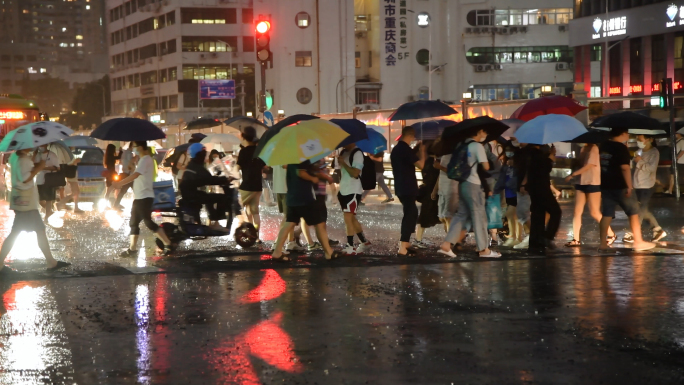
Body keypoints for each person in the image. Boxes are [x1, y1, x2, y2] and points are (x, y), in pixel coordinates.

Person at [0, 148, 70, 275]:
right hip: (26, 203)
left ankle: (51, 261)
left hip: (21, 201)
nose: (33, 145)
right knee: (25, 232)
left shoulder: (16, 157)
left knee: (35, 231)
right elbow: (26, 178)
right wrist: (40, 167)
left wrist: (35, 164)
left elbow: (24, 172)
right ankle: (51, 262)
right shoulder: (23, 159)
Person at [438, 128, 500, 258]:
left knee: (461, 215)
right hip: (474, 185)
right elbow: (486, 167)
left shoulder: (462, 145)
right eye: (484, 132)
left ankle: (446, 245)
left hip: (463, 184)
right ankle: (483, 250)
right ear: (478, 132)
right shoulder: (477, 146)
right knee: (479, 217)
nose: (486, 134)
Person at [113, 141, 174, 257]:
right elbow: (138, 173)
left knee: (147, 221)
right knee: (134, 222)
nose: (134, 149)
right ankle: (132, 249)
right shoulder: (143, 160)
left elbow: (136, 175)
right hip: (140, 196)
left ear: (140, 147)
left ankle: (168, 243)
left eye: (135, 147)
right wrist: (133, 165)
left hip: (145, 196)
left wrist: (119, 183)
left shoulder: (146, 159)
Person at [598, 128, 655, 251]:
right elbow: (625, 168)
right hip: (620, 185)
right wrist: (629, 186)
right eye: (627, 132)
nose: (628, 135)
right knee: (634, 212)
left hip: (606, 184)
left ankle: (602, 244)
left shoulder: (604, 145)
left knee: (607, 214)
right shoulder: (620, 148)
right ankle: (638, 242)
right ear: (622, 133)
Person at [270, 161, 339, 261]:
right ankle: (329, 253)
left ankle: (277, 252)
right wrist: (313, 178)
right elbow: (301, 173)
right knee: (319, 223)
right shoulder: (301, 158)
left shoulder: (292, 160)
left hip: (292, 197)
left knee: (289, 223)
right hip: (304, 198)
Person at [564, 143, 615, 247]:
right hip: (580, 182)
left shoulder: (594, 148)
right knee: (577, 211)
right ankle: (576, 239)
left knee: (594, 212)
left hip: (592, 182)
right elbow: (581, 164)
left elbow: (589, 165)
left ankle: (611, 234)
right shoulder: (583, 148)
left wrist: (573, 174)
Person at [179, 143, 232, 231]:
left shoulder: (193, 164)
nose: (204, 155)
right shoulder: (196, 166)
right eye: (203, 152)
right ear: (198, 154)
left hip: (190, 194)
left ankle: (212, 221)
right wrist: (225, 180)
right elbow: (209, 179)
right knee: (222, 198)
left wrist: (222, 179)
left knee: (209, 197)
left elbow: (207, 179)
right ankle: (215, 222)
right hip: (192, 195)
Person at [624, 134, 666, 243]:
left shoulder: (654, 152)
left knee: (639, 209)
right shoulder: (639, 151)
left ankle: (633, 233)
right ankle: (658, 230)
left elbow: (651, 168)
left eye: (640, 139)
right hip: (637, 184)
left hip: (647, 185)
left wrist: (639, 161)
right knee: (643, 209)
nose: (638, 140)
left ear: (649, 140)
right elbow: (634, 166)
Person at [391, 127, 426, 256]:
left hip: (400, 186)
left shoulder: (396, 149)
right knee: (410, 214)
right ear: (411, 135)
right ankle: (403, 245)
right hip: (408, 186)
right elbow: (421, 165)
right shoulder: (405, 149)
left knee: (411, 213)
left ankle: (406, 244)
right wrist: (422, 152)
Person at [520, 144, 561, 253]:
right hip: (541, 187)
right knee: (555, 211)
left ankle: (535, 244)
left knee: (538, 215)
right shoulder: (536, 154)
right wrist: (551, 157)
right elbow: (543, 169)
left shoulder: (529, 153)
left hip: (534, 187)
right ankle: (546, 237)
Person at [337, 143, 372, 254]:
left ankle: (350, 246)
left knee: (348, 217)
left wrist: (343, 163)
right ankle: (364, 241)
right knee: (351, 218)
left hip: (353, 190)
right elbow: (339, 170)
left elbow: (355, 173)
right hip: (343, 189)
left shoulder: (357, 153)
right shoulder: (343, 152)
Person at [235, 126, 266, 244]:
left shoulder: (243, 152)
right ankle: (256, 236)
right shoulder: (259, 151)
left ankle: (244, 231)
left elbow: (237, 168)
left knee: (236, 206)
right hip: (257, 186)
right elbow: (263, 166)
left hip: (247, 185)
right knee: (254, 212)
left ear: (243, 137)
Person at [494, 144, 523, 247]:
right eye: (506, 150)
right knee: (512, 216)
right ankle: (514, 237)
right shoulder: (505, 165)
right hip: (508, 192)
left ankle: (518, 237)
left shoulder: (519, 163)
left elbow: (521, 174)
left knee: (511, 214)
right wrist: (496, 190)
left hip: (516, 192)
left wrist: (515, 164)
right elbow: (502, 178)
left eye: (510, 150)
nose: (508, 152)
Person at [414, 142, 440, 247]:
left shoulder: (429, 161)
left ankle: (418, 239)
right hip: (432, 191)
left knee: (426, 216)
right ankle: (451, 242)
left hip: (430, 190)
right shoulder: (433, 162)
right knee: (428, 216)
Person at [433, 146, 459, 233]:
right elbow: (440, 174)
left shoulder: (456, 155)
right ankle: (451, 237)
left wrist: (440, 167)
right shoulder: (444, 156)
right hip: (442, 189)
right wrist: (435, 189)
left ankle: (450, 241)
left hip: (451, 187)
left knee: (448, 216)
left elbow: (455, 173)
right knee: (441, 217)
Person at [34, 144, 60, 221]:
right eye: (40, 144)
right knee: (39, 198)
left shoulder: (52, 155)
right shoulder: (37, 155)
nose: (41, 146)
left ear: (46, 145)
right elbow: (33, 165)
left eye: (43, 145)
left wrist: (44, 167)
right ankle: (49, 210)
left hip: (49, 179)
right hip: (38, 179)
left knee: (49, 198)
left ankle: (47, 215)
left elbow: (57, 168)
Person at [113, 146, 134, 211]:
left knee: (123, 191)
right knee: (136, 191)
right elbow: (128, 165)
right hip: (128, 174)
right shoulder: (129, 154)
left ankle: (116, 205)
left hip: (127, 174)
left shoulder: (126, 153)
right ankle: (116, 205)